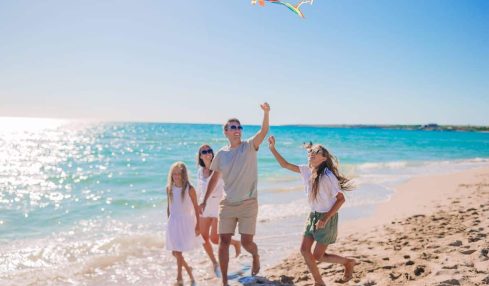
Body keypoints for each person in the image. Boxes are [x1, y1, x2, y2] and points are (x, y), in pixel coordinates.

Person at [267, 136, 356, 285]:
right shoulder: (307, 170)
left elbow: (341, 199)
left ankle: (347, 262)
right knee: (304, 250)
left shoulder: (328, 176)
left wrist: (325, 218)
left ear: (323, 158)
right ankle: (319, 281)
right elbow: (285, 165)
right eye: (311, 152)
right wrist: (272, 148)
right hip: (313, 216)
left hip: (327, 218)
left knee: (318, 256)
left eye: (316, 152)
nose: (312, 154)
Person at [200, 102, 270, 286]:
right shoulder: (221, 155)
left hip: (248, 203)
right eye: (233, 127)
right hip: (228, 203)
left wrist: (266, 113)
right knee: (223, 240)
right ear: (226, 132)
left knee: (247, 243)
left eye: (239, 127)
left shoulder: (249, 146)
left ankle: (255, 255)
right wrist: (204, 200)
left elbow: (263, 131)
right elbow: (214, 179)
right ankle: (224, 280)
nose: (237, 129)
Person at [196, 144, 241, 277]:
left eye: (209, 150)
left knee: (215, 239)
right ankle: (214, 262)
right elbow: (199, 190)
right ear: (200, 156)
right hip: (204, 208)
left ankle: (236, 243)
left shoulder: (219, 169)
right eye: (204, 151)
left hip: (217, 206)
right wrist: (195, 206)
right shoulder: (200, 171)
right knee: (203, 238)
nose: (207, 153)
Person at [166, 162, 201, 286]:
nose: (176, 176)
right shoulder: (169, 188)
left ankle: (179, 278)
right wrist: (168, 223)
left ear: (183, 174)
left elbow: (196, 208)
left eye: (178, 174)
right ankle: (189, 271)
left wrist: (198, 225)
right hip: (173, 222)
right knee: (175, 252)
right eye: (174, 174)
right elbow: (168, 207)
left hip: (185, 222)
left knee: (178, 252)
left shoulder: (189, 189)